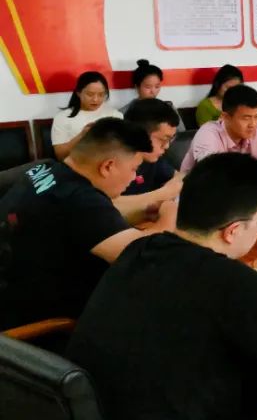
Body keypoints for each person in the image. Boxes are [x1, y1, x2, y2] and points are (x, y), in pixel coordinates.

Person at [66, 153, 257, 420]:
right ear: (233, 231)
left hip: (99, 408)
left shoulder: (143, 247)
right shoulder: (229, 282)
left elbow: (194, 283)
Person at [0, 118, 175, 330]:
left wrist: (146, 211)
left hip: (13, 293)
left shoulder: (46, 169)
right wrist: (170, 214)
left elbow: (95, 219)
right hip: (48, 324)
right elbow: (148, 256)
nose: (134, 177)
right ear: (108, 166)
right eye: (134, 168)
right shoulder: (80, 200)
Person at [181, 85, 257, 182]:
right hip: (197, 198)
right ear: (225, 117)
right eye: (246, 118)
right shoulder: (208, 134)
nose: (253, 124)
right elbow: (215, 178)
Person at [113, 98, 184, 224]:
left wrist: (171, 189)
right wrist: (161, 194)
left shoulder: (152, 159)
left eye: (170, 140)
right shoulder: (111, 161)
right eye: (163, 139)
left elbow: (180, 176)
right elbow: (105, 206)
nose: (167, 146)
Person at [51, 71, 124, 160]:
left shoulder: (115, 115)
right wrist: (82, 135)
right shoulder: (62, 118)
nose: (95, 99)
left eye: (101, 94)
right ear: (78, 93)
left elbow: (122, 150)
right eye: (90, 94)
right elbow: (60, 155)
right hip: (76, 164)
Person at [122, 59, 185, 131]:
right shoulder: (125, 112)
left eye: (157, 86)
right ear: (137, 87)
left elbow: (182, 134)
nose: (153, 91)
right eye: (148, 87)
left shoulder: (169, 107)